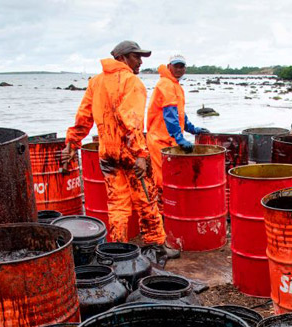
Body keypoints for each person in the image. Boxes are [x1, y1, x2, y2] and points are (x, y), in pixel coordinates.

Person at [62, 40, 176, 258]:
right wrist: (141, 154)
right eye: (136, 56)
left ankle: (118, 250)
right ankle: (156, 246)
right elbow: (131, 121)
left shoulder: (96, 82)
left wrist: (72, 143)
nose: (140, 62)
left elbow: (84, 116)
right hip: (129, 154)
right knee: (146, 198)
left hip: (107, 154)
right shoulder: (132, 82)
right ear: (122, 58)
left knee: (117, 204)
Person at [146, 54, 209, 196]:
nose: (179, 69)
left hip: (169, 140)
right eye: (176, 66)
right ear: (169, 67)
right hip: (159, 140)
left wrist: (192, 129)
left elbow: (179, 113)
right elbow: (169, 114)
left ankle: (170, 208)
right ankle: (162, 213)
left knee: (171, 177)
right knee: (162, 179)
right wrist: (179, 137)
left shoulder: (175, 85)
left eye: (182, 66)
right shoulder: (166, 84)